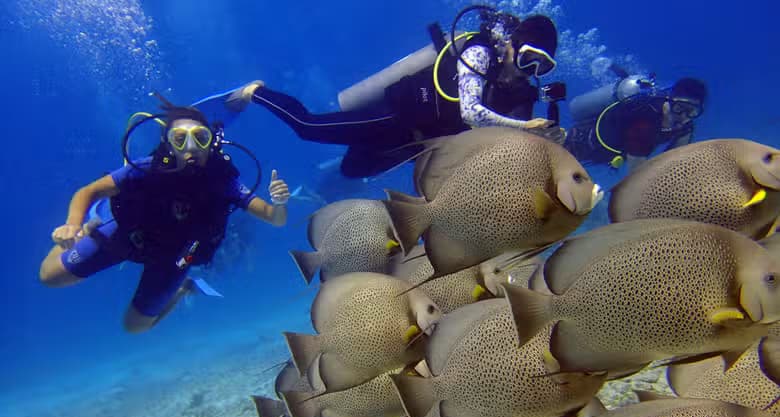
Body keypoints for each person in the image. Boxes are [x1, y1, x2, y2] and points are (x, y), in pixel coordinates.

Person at [212, 7, 565, 178]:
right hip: (397, 116)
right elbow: (471, 112)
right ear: (513, 44)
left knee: (352, 171)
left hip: (417, 142)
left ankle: (349, 143)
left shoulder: (519, 94)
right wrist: (524, 128)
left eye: (542, 67)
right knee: (308, 128)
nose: (530, 71)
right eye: (530, 59)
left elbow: (518, 145)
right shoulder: (479, 52)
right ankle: (257, 91)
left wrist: (548, 136)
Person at [38, 99, 291, 333]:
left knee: (135, 327)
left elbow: (275, 219)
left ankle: (183, 289)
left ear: (211, 143)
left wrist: (279, 204)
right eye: (180, 139)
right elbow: (88, 191)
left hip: (176, 256)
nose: (191, 148)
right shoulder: (146, 168)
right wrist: (72, 226)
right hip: (126, 236)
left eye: (200, 138)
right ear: (168, 143)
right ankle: (91, 223)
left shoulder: (224, 181)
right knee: (48, 277)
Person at [565, 67, 707, 171]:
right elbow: (637, 173)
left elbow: (673, 163)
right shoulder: (645, 119)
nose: (683, 117)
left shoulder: (686, 127)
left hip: (609, 153)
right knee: (553, 163)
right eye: (679, 107)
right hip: (583, 140)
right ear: (668, 101)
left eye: (692, 111)